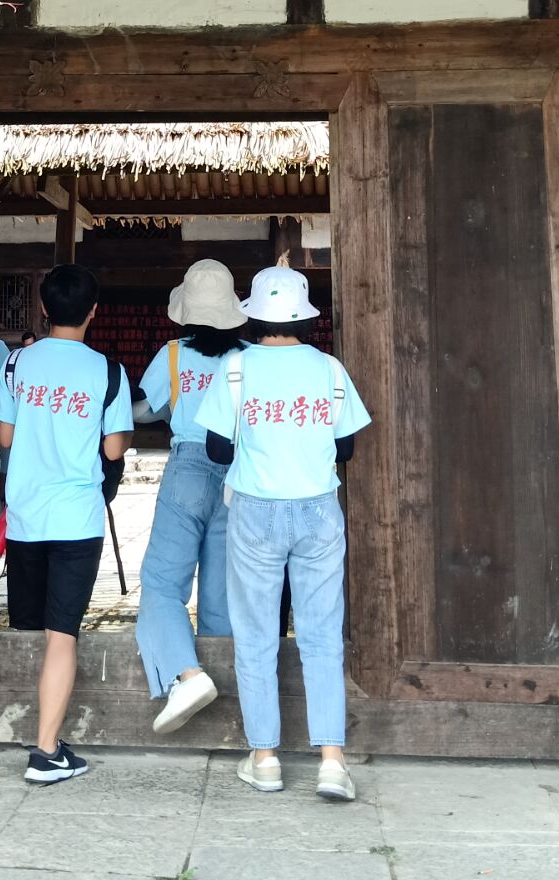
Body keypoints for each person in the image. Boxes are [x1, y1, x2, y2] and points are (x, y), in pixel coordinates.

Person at [200, 265, 371, 802]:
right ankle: (332, 762)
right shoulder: (329, 369)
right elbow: (346, 448)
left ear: (253, 316)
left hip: (255, 511)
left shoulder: (235, 368)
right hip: (319, 510)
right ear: (304, 318)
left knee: (256, 635)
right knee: (322, 635)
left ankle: (266, 758)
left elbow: (217, 449)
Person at [0, 264, 133, 784]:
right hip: (77, 520)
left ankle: (24, 725)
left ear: (44, 308)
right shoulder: (108, 371)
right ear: (94, 312)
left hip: (25, 517)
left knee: (26, 625)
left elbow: (5, 437)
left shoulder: (17, 363)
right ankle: (46, 752)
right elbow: (113, 449)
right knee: (62, 633)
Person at [133, 259, 246, 733]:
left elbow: (145, 410)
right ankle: (226, 704)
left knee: (162, 583)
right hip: (239, 472)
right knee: (223, 590)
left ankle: (188, 674)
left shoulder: (174, 354)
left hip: (188, 468)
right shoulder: (248, 358)